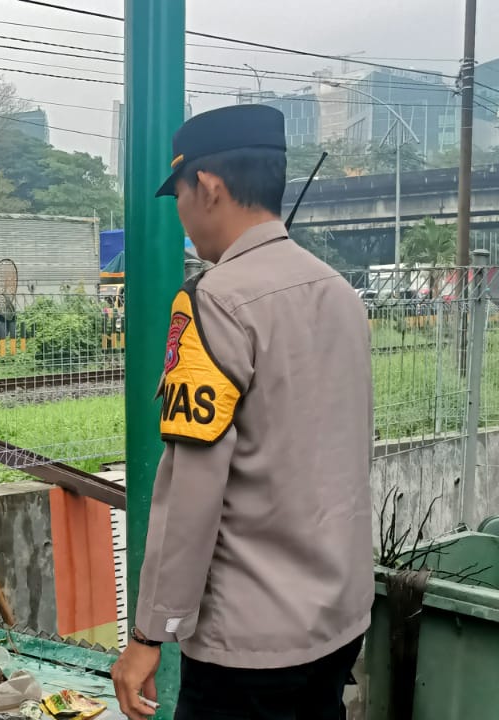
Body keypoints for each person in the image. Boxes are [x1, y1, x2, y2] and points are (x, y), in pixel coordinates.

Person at [110, 104, 373, 720]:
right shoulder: (340, 294)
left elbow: (191, 492)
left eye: (178, 193)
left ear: (207, 185)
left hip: (250, 644)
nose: (180, 212)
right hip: (338, 619)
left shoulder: (214, 303)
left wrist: (150, 633)